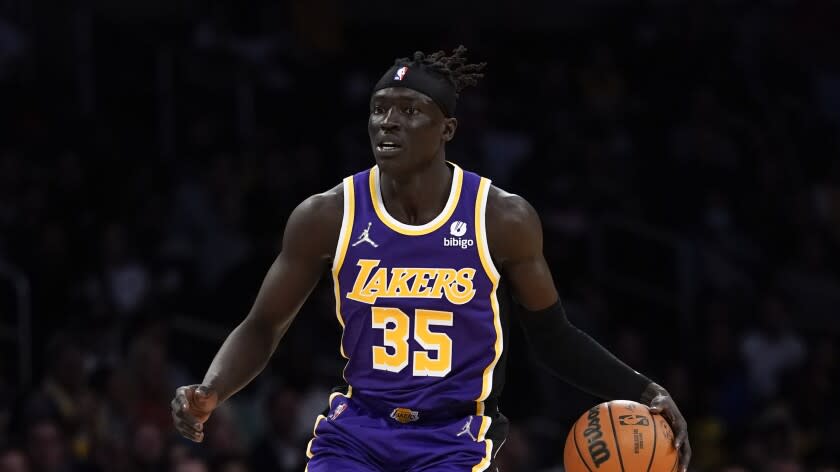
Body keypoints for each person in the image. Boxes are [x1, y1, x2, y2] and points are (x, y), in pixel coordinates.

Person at [171, 46, 692, 471]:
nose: (388, 123)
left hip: (453, 437)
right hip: (356, 431)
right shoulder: (327, 215)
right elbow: (263, 326)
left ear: (447, 130)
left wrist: (644, 389)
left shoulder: (501, 219)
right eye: (379, 108)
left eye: (409, 110)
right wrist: (212, 389)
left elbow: (552, 338)